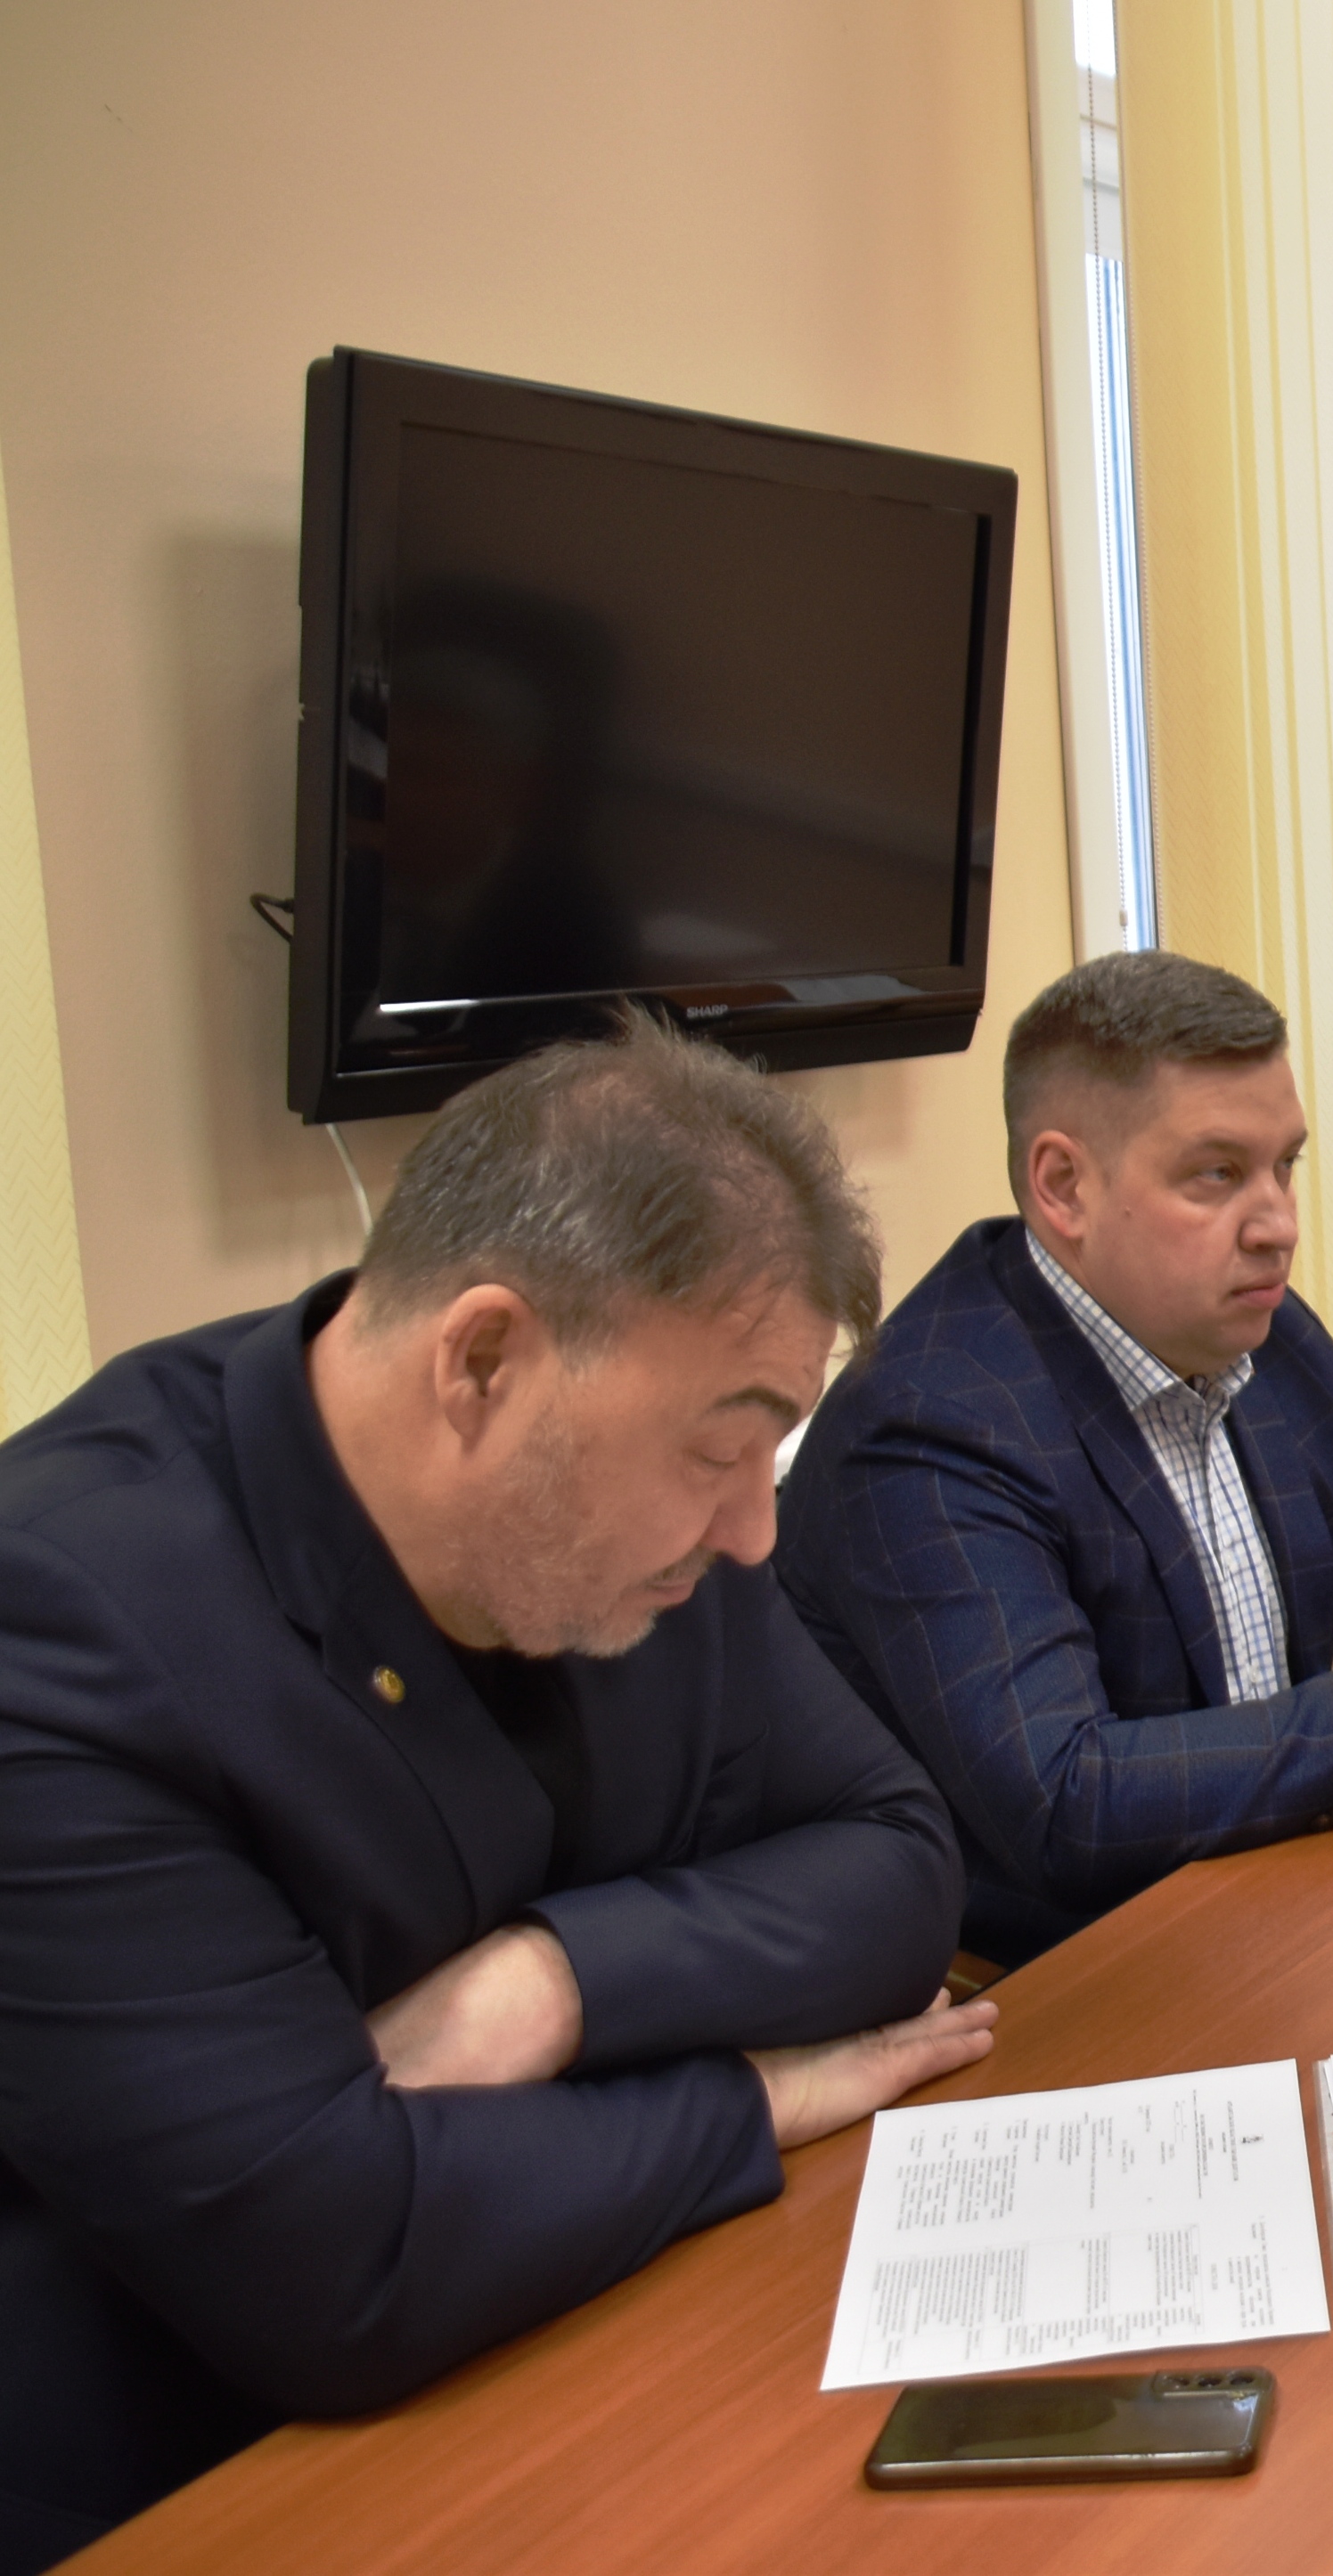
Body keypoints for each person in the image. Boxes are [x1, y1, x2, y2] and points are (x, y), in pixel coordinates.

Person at [0, 1020, 985, 2572]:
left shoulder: (648, 1518)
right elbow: (336, 2259)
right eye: (721, 1453)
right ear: (479, 1362)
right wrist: (752, 2096)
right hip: (212, 2485)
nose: (754, 1533)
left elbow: (900, 1868)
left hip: (587, 2349)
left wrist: (554, 1985)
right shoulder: (62, 1623)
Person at [780, 952, 1333, 1964]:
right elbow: (1068, 1800)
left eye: (1284, 1166)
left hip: (1284, 1900)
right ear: (1063, 1186)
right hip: (1064, 1974)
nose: (1279, 1226)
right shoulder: (928, 1428)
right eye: (1216, 1174)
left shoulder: (1258, 1331)